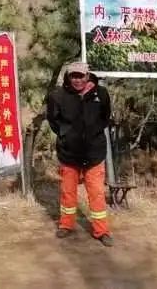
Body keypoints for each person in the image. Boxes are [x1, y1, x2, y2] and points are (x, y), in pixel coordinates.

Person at [46, 61, 114, 247]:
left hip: (94, 153)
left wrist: (93, 133)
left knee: (97, 193)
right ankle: (66, 225)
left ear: (87, 76)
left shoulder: (101, 93)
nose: (77, 80)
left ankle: (101, 231)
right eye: (73, 76)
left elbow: (105, 117)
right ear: (68, 77)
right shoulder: (57, 96)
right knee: (68, 192)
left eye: (81, 76)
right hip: (69, 153)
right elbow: (53, 120)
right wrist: (66, 134)